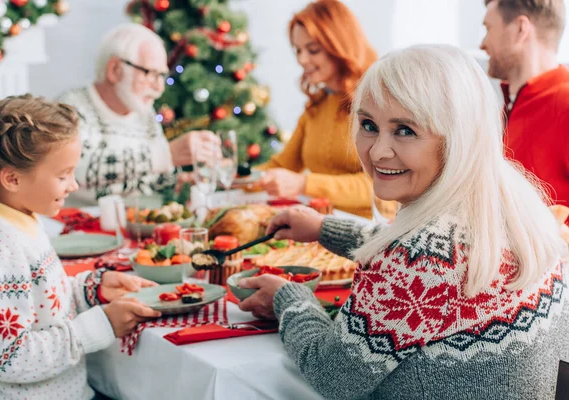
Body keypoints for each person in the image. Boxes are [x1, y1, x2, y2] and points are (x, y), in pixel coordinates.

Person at [239, 45, 569, 399]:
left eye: (405, 131)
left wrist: (288, 298)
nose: (378, 151)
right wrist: (324, 228)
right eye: (368, 125)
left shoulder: (417, 261)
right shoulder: (518, 206)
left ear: (455, 138)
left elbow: (332, 376)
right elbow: (436, 257)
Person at [0, 94, 162, 399]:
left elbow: (41, 304)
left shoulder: (24, 218)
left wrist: (92, 288)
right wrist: (101, 326)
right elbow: (8, 359)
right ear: (12, 179)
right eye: (63, 175)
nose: (74, 186)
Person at [257, 0, 397, 219]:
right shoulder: (317, 105)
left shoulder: (379, 100)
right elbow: (282, 165)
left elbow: (383, 185)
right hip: (324, 226)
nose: (302, 60)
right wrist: (231, 177)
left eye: (313, 50)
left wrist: (304, 184)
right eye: (298, 50)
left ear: (339, 45)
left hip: (373, 231)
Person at [58, 23, 220, 204]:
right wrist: (166, 154)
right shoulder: (71, 108)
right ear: (114, 70)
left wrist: (178, 180)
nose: (159, 88)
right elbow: (72, 170)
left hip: (137, 223)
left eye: (161, 76)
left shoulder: (144, 112)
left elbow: (152, 178)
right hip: (81, 226)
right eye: (149, 73)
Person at [480, 0, 569, 212]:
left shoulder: (565, 104)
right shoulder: (504, 110)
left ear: (520, 29)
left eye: (488, 28)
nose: (482, 43)